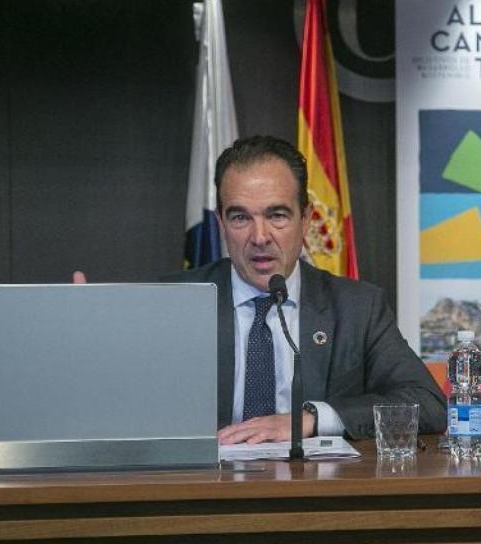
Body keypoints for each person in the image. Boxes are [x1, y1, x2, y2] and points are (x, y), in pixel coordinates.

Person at [165, 135, 445, 443]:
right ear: (220, 223)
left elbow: (427, 404)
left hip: (314, 486)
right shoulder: (173, 304)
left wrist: (311, 419)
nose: (260, 237)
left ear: (306, 219)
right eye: (241, 217)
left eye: (277, 215)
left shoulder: (356, 308)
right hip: (205, 487)